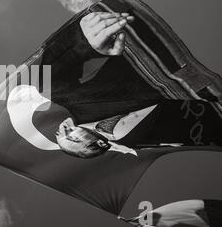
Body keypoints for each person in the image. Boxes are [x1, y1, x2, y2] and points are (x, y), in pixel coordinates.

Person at [52, 11, 222, 158]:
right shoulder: (138, 143)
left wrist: (84, 43)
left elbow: (44, 69)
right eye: (73, 139)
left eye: (62, 133)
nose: (66, 131)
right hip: (207, 85)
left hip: (159, 41)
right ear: (101, 145)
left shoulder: (72, 101)